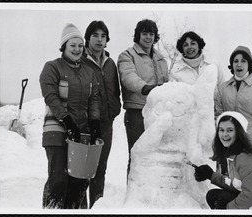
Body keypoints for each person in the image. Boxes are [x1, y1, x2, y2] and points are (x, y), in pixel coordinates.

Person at [39, 23, 101, 209]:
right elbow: (51, 96)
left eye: (80, 45)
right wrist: (66, 121)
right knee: (58, 178)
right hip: (57, 130)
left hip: (81, 132)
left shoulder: (88, 72)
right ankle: (52, 209)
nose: (77, 49)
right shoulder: (52, 67)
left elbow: (94, 100)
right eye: (72, 45)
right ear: (64, 46)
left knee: (79, 181)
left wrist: (95, 123)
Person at [193, 111, 252, 209]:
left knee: (219, 199)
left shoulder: (247, 157)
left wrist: (228, 208)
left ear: (239, 133)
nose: (224, 134)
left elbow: (251, 195)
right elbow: (238, 185)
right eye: (221, 130)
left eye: (230, 130)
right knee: (213, 196)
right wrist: (211, 175)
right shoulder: (235, 152)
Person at [117, 19, 169, 177]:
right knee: (137, 156)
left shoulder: (160, 59)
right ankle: (134, 196)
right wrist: (145, 88)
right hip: (137, 113)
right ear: (137, 35)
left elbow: (166, 82)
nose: (148, 37)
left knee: (156, 157)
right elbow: (128, 77)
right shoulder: (127, 55)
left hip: (157, 114)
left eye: (151, 34)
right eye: (144, 33)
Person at [81, 20, 121, 208]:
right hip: (85, 123)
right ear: (87, 38)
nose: (99, 39)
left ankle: (96, 207)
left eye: (103, 36)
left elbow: (115, 90)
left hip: (106, 122)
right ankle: (78, 209)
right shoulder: (79, 61)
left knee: (100, 168)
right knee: (82, 170)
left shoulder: (110, 63)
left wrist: (115, 109)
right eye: (95, 35)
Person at [215, 45, 252, 163]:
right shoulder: (223, 88)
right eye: (235, 61)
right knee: (229, 180)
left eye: (243, 61)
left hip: (251, 144)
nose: (239, 64)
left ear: (249, 64)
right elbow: (217, 116)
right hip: (228, 144)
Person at [170, 31, 225, 96]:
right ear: (182, 49)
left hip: (215, 106)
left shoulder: (214, 65)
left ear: (199, 45)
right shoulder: (175, 72)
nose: (189, 47)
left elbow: (223, 92)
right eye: (185, 45)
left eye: (193, 43)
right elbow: (174, 98)